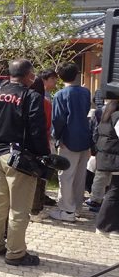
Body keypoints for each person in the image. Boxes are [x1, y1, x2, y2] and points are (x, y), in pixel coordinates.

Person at [0, 59, 49, 266]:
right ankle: (16, 253)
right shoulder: (31, 96)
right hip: (19, 159)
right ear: (28, 75)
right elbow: (37, 130)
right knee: (19, 208)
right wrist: (42, 155)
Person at [50, 63, 92, 222]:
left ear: (60, 77)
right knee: (80, 176)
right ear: (77, 74)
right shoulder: (85, 92)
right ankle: (77, 208)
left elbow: (58, 119)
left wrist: (56, 138)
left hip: (68, 139)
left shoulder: (60, 94)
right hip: (84, 138)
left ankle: (67, 211)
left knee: (66, 176)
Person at [88, 99, 119, 212]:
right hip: (113, 154)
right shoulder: (116, 119)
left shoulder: (104, 120)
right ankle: (104, 202)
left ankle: (95, 200)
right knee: (111, 181)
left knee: (100, 178)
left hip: (102, 152)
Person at [29, 77, 53, 216]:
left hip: (29, 144)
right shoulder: (47, 103)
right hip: (43, 141)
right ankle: (37, 208)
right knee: (40, 178)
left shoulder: (27, 100)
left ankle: (31, 208)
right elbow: (48, 125)